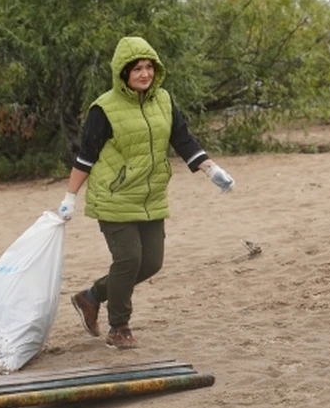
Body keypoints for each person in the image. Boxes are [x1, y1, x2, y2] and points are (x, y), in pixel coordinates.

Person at [55, 36, 235, 349]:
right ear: (122, 73)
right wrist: (69, 197)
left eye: (149, 66)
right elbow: (86, 156)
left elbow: (183, 140)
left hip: (150, 197)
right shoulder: (104, 109)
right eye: (137, 68)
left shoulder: (163, 100)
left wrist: (211, 170)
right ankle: (119, 327)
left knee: (151, 263)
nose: (144, 73)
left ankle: (91, 297)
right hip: (114, 196)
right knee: (128, 259)